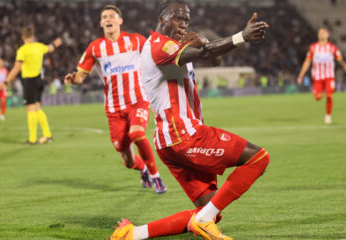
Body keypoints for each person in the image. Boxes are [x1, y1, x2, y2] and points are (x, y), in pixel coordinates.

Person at [108, 0, 269, 239]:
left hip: (169, 142)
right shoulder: (159, 47)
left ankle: (132, 234)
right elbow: (206, 53)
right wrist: (240, 37)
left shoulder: (174, 46)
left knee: (211, 210)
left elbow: (213, 60)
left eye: (186, 20)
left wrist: (204, 42)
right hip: (184, 135)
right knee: (258, 158)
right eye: (177, 18)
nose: (183, 24)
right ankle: (202, 221)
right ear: (162, 19)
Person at [64, 5, 167, 194]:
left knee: (137, 134)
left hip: (138, 101)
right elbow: (80, 75)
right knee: (127, 161)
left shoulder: (136, 41)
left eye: (112, 16)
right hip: (114, 108)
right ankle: (142, 169)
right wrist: (74, 79)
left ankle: (156, 176)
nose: (108, 19)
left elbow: (155, 55)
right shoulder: (95, 48)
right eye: (104, 17)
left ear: (120, 21)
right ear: (101, 23)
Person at [6, 27, 62, 144]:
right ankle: (48, 135)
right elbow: (50, 48)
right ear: (33, 36)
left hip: (29, 81)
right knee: (37, 108)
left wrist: (7, 81)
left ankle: (32, 139)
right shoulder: (39, 46)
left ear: (23, 37)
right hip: (39, 80)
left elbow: (17, 67)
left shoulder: (22, 50)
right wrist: (55, 43)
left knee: (30, 109)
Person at [297, 28, 346, 124]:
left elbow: (341, 61)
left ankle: (328, 115)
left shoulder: (332, 47)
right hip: (317, 76)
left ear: (328, 35)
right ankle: (319, 93)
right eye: (320, 33)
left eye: (324, 33)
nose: (322, 34)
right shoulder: (313, 47)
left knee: (329, 96)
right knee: (318, 97)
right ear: (318, 35)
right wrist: (301, 74)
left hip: (329, 76)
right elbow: (307, 62)